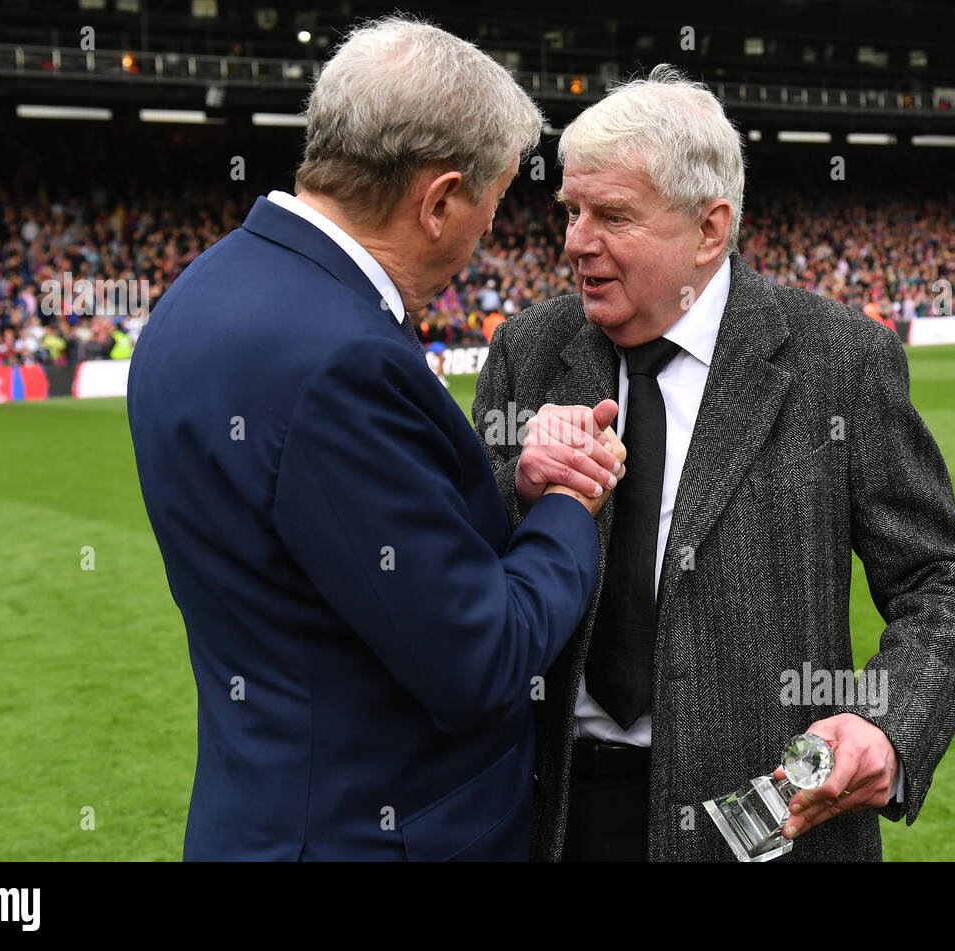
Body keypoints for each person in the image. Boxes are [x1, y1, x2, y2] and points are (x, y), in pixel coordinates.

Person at [127, 16, 626, 861]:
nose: (487, 237)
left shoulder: (196, 294)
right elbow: (481, 658)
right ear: (438, 200)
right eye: (494, 202)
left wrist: (516, 486)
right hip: (368, 833)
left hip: (259, 812)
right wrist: (570, 508)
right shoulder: (346, 359)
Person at [473, 65, 955, 861]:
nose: (577, 241)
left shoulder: (840, 359)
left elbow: (947, 580)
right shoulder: (530, 347)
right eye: (572, 211)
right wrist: (514, 481)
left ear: (710, 229)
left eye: (612, 214)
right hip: (556, 817)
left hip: (765, 826)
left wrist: (886, 724)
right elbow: (459, 563)